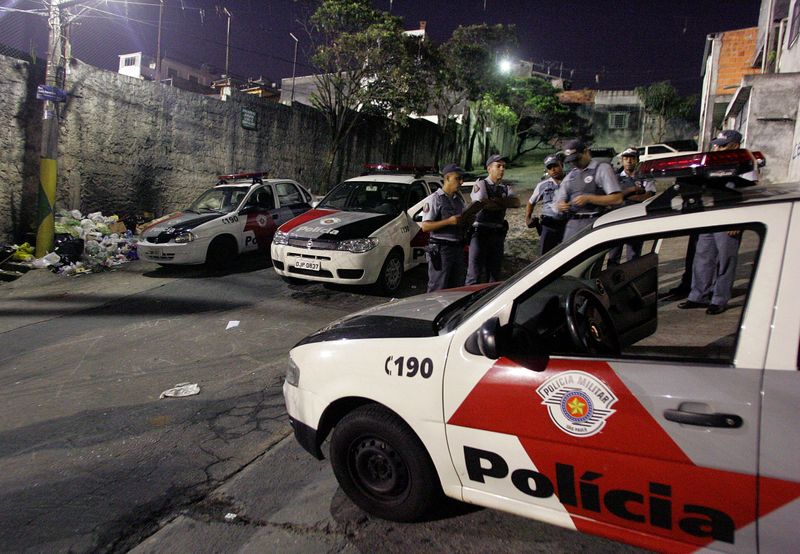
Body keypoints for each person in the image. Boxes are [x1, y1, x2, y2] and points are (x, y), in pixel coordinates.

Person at [678, 129, 744, 315]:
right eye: (716, 145)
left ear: (735, 146)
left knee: (725, 259)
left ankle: (719, 298)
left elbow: (747, 195)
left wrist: (737, 221)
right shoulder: (713, 164)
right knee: (703, 257)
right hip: (709, 216)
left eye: (722, 146)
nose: (717, 148)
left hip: (729, 219)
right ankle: (698, 295)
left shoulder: (743, 164)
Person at [466, 154, 520, 284]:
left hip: (497, 234)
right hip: (480, 233)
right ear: (489, 168)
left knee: (494, 273)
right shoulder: (481, 184)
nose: (502, 169)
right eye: (498, 166)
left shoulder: (505, 187)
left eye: (503, 166)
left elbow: (516, 203)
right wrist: (504, 202)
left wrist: (496, 201)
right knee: (475, 273)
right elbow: (485, 205)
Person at [554, 139, 623, 240]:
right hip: (573, 224)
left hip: (595, 222)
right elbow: (559, 200)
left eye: (577, 159)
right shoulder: (571, 175)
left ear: (586, 152)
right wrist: (560, 205)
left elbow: (617, 198)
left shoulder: (602, 169)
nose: (575, 163)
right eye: (571, 161)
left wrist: (589, 198)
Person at [420, 163, 468, 292]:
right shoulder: (435, 199)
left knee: (456, 287)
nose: (461, 182)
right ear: (447, 178)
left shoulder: (459, 200)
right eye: (458, 178)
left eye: (462, 179)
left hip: (457, 248)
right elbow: (425, 226)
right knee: (438, 286)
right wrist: (448, 221)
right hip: (441, 249)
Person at [607, 147, 657, 264]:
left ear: (637, 160)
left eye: (632, 158)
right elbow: (612, 198)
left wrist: (623, 195)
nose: (629, 161)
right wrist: (633, 190)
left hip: (636, 220)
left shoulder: (645, 176)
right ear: (622, 160)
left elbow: (648, 196)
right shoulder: (614, 177)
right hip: (617, 219)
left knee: (634, 256)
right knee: (613, 255)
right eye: (626, 158)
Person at [526, 154, 566, 255]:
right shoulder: (542, 185)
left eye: (555, 166)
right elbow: (531, 202)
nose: (553, 169)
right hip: (549, 226)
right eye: (549, 167)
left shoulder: (571, 181)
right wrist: (528, 218)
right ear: (547, 171)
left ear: (562, 165)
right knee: (545, 256)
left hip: (567, 225)